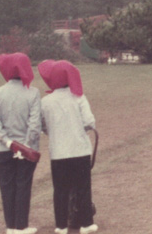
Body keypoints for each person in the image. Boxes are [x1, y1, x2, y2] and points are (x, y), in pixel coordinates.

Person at [38, 60, 98, 234]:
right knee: (83, 187)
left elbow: (42, 125)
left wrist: (53, 132)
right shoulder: (79, 97)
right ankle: (87, 223)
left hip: (58, 152)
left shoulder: (46, 101)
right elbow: (89, 122)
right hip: (79, 149)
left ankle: (61, 225)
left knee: (60, 190)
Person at [0, 53, 41, 234]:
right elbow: (34, 126)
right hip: (26, 150)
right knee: (23, 186)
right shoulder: (33, 93)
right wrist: (23, 147)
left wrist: (9, 143)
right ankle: (21, 226)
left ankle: (11, 227)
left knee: (7, 188)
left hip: (3, 150)